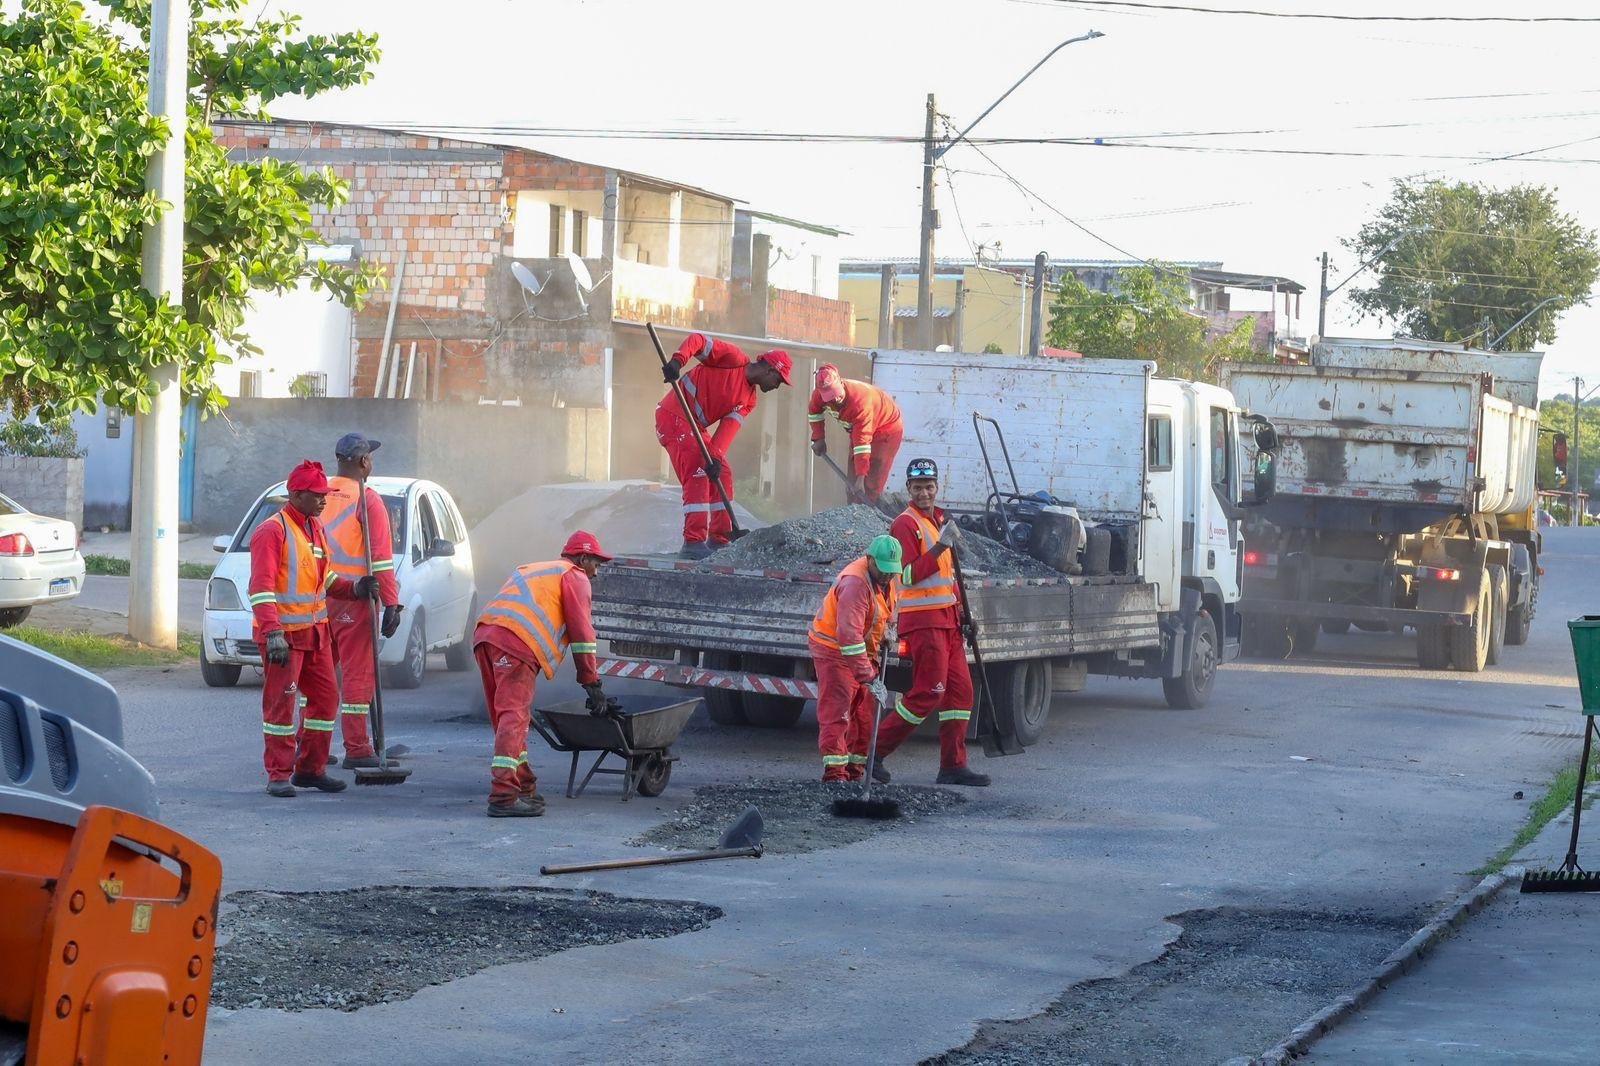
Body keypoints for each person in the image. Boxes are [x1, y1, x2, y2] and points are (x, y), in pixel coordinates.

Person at [249, 460, 379, 798]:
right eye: (317, 495)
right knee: (281, 705)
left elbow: (327, 578)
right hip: (284, 638)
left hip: (315, 633)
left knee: (325, 699)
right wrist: (272, 631)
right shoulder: (271, 531)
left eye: (324, 494)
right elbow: (260, 588)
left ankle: (310, 769)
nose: (324, 500)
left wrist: (355, 588)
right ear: (295, 495)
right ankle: (278, 773)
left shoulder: (314, 527)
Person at [473, 530, 612, 818]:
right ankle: (503, 796)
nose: (596, 573)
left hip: (486, 635)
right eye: (595, 564)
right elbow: (582, 634)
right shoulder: (575, 576)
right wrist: (591, 682)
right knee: (514, 716)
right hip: (516, 643)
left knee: (505, 717)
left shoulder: (535, 568)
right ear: (582, 558)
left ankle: (523, 785)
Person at [871, 458, 990, 787]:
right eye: (918, 487)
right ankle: (873, 752)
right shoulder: (905, 524)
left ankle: (952, 765)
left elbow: (946, 578)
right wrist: (940, 546)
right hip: (923, 622)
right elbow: (907, 574)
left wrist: (964, 615)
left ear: (937, 488)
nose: (925, 492)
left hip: (947, 621)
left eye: (929, 486)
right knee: (928, 692)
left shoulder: (937, 522)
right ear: (908, 489)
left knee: (960, 694)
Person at [656, 332, 791, 558]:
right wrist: (678, 361)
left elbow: (727, 430)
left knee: (722, 473)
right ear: (770, 370)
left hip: (694, 426)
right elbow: (697, 340)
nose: (777, 386)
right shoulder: (733, 358)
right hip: (673, 415)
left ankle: (719, 538)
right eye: (778, 380)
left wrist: (716, 458)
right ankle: (693, 542)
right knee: (700, 469)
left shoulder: (750, 400)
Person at [321, 433, 404, 769]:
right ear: (363, 462)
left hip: (316, 595)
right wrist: (391, 602)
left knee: (319, 674)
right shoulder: (368, 500)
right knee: (358, 674)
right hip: (355, 598)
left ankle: (310, 746)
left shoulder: (318, 492)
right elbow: (381, 561)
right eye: (370, 456)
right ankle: (357, 748)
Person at [808, 535, 901, 781]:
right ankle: (835, 774)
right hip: (834, 649)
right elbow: (849, 638)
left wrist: (889, 630)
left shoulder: (888, 575)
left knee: (863, 714)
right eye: (883, 570)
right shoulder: (856, 584)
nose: (888, 576)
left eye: (892, 571)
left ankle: (854, 770)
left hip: (862, 649)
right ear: (869, 560)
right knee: (838, 710)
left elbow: (886, 608)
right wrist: (869, 677)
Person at [807, 364, 904, 504]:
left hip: (886, 429)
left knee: (870, 479)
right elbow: (814, 413)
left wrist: (861, 477)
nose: (835, 400)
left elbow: (862, 445)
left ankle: (868, 510)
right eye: (829, 397)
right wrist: (818, 438)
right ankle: (853, 509)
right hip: (859, 430)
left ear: (840, 382)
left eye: (836, 393)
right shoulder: (818, 395)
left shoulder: (860, 403)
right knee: (852, 481)